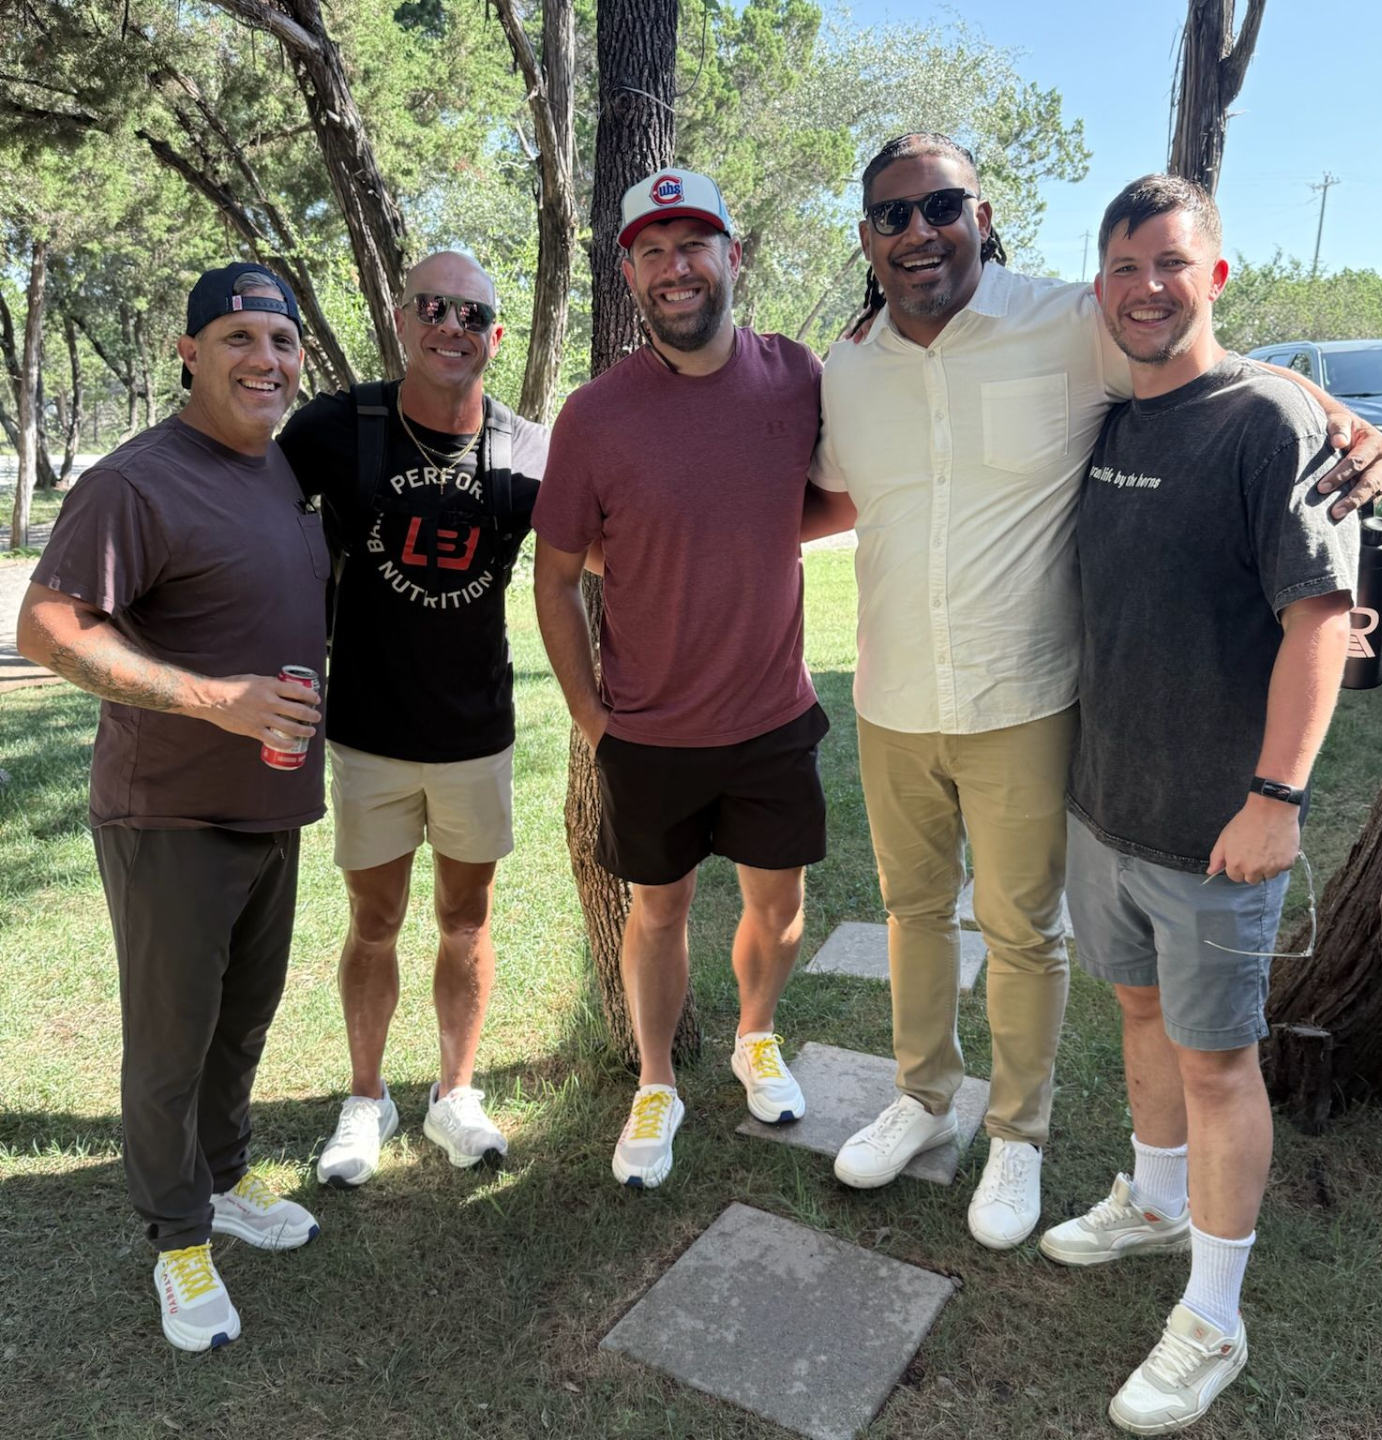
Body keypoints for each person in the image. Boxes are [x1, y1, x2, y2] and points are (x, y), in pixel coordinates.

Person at [809, 134, 1382, 1250]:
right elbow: (837, 496)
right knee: (911, 913)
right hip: (893, 696)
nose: (919, 230)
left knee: (1022, 930)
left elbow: (1211, 363)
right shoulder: (849, 367)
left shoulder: (1069, 322)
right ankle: (923, 1098)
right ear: (870, 239)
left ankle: (1017, 1137)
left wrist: (1345, 419)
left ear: (981, 217)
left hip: (1027, 697)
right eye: (893, 215)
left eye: (941, 206)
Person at [1036, 174, 1359, 1436]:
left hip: (1220, 827)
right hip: (1106, 805)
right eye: (1123, 268)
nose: (1146, 288)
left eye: (1170, 263)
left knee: (1219, 1064)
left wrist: (1277, 797)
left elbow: (1319, 621)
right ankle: (1155, 1202)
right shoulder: (1114, 420)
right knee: (1138, 1015)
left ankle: (1215, 1317)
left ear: (1214, 275)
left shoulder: (1269, 421)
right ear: (1100, 286)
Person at [17, 263, 327, 1352]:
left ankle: (224, 1182)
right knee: (170, 1043)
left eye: (281, 342)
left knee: (243, 1021)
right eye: (238, 337)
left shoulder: (278, 467)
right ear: (189, 353)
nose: (264, 360)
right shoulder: (136, 482)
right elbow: (48, 628)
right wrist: (217, 702)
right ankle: (177, 1239)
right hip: (169, 817)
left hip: (271, 806)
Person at [532, 169, 845, 1189]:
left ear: (732, 257)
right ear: (630, 274)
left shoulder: (797, 377)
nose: (676, 267)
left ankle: (757, 1036)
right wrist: (592, 718)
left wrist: (749, 536)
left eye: (695, 244)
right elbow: (554, 573)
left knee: (779, 908)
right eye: (653, 251)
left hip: (773, 716)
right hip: (649, 732)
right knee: (658, 913)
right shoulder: (595, 415)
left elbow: (843, 492)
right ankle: (656, 1082)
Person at [277, 252, 549, 1186]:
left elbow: (607, 550)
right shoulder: (338, 427)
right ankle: (367, 1099)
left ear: (496, 336)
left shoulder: (527, 450)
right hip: (368, 732)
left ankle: (454, 1094)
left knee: (467, 920)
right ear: (402, 319)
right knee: (375, 920)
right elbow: (245, 515)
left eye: (471, 314)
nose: (450, 327)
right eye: (432, 307)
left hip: (475, 734)